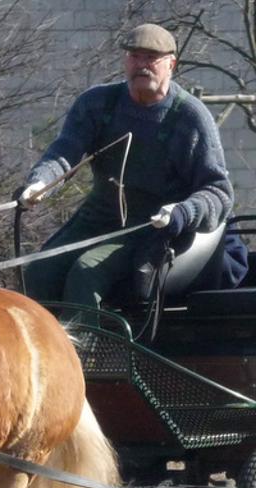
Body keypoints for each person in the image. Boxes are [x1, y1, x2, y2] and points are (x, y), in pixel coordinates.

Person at [17, 23, 234, 308]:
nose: (142, 65)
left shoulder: (191, 118)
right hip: (97, 216)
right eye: (135, 56)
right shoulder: (96, 103)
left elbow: (219, 192)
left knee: (86, 273)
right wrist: (40, 183)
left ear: (171, 63)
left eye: (151, 58)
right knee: (39, 271)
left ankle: (89, 352)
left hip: (152, 226)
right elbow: (64, 153)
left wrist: (182, 212)